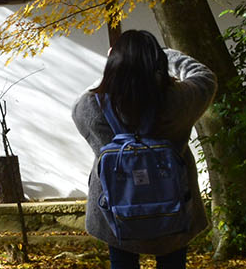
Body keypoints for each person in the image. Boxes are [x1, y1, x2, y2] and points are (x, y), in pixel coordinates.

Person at [71, 29, 217, 269]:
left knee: (122, 263)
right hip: (174, 206)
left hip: (116, 210)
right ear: (157, 63)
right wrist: (166, 55)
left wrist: (113, 68)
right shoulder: (179, 99)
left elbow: (79, 103)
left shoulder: (91, 107)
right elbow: (205, 77)